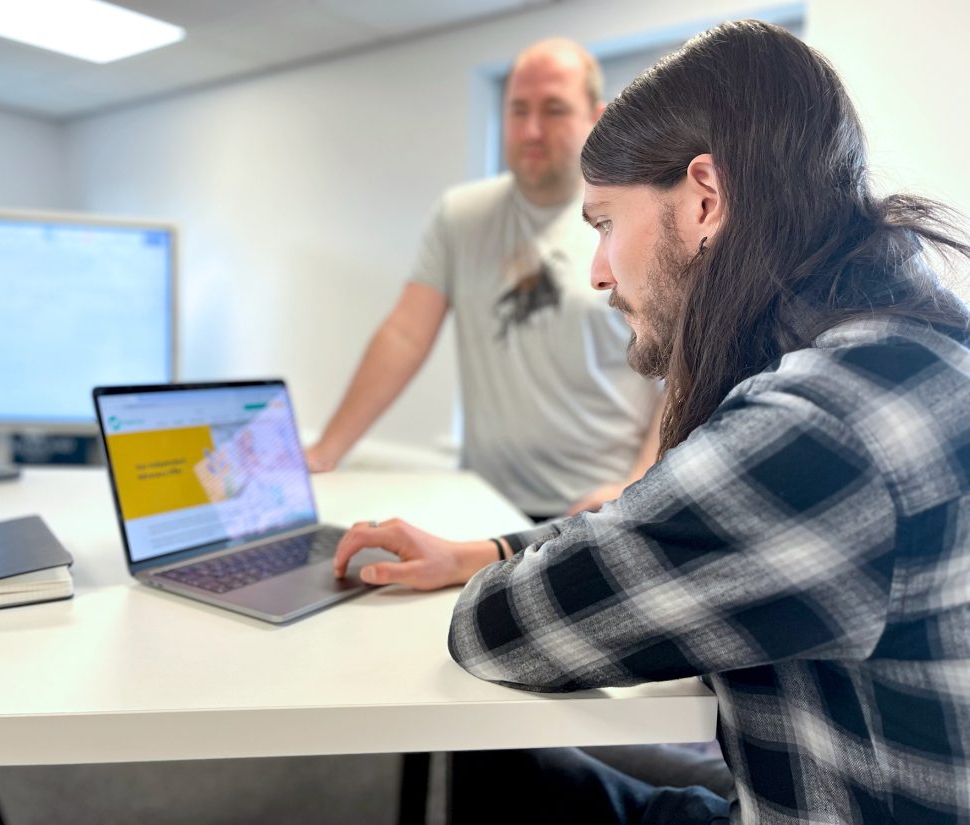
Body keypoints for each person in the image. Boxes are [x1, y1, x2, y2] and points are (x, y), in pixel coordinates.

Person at [334, 19, 970, 825]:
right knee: (522, 767)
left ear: (705, 199)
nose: (599, 269)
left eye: (604, 223)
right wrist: (490, 547)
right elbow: (677, 521)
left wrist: (496, 573)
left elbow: (498, 629)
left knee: (504, 768)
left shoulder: (826, 426)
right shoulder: (899, 340)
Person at [305, 37, 663, 520]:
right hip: (482, 504)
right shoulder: (462, 217)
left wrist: (638, 485)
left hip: (594, 509)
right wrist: (327, 450)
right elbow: (404, 335)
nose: (532, 130)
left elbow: (678, 374)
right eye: (519, 110)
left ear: (595, 117)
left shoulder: (628, 221)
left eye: (554, 109)